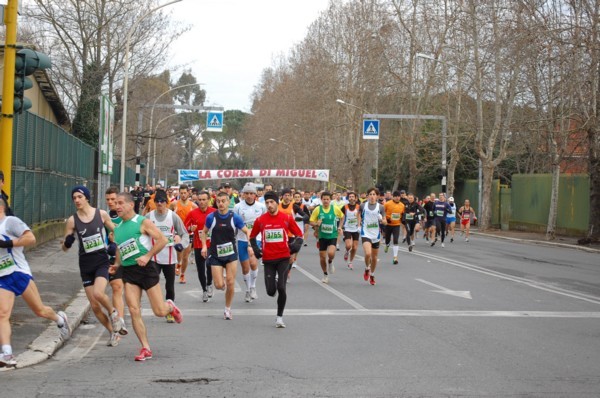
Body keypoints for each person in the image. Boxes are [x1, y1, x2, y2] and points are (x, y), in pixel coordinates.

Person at [111, 192, 183, 361]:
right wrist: (116, 264)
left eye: (120, 203)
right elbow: (121, 249)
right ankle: (145, 347)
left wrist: (148, 256)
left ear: (130, 205)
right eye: (115, 203)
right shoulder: (118, 228)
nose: (117, 206)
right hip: (129, 272)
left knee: (159, 311)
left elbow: (162, 240)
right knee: (134, 310)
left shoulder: (142, 222)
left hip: (146, 269)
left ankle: (170, 307)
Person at [0, 198, 71, 367]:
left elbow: (31, 238)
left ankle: (59, 319)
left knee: (39, 310)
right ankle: (7, 354)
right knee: (3, 314)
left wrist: (8, 243)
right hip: (3, 276)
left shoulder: (10, 222)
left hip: (18, 272)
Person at [62, 185, 123, 346]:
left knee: (98, 293)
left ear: (87, 198)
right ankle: (113, 332)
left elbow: (117, 230)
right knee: (95, 307)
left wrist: (114, 241)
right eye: (74, 198)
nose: (77, 200)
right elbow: (64, 248)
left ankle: (113, 312)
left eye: (79, 197)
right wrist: (67, 243)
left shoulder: (100, 214)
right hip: (85, 264)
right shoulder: (72, 220)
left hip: (101, 261)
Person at [250, 191, 303, 328]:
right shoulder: (260, 220)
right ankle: (272, 282)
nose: (269, 205)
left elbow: (299, 234)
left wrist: (294, 247)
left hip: (283, 258)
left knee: (282, 287)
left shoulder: (286, 218)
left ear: (277, 203)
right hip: (268, 259)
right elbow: (252, 236)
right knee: (270, 291)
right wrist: (256, 249)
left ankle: (279, 317)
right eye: (267, 203)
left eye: (272, 202)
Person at [201, 192, 251, 320]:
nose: (221, 204)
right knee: (218, 285)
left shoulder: (235, 218)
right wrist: (204, 246)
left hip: (231, 254)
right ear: (216, 202)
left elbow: (246, 231)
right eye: (218, 201)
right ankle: (220, 281)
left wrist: (250, 245)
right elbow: (204, 232)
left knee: (230, 282)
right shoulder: (211, 217)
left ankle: (227, 309)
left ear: (229, 202)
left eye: (223, 201)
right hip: (216, 255)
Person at [146, 189, 189, 322]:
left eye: (162, 201)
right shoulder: (148, 217)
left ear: (166, 202)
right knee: (153, 284)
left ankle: (170, 310)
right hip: (154, 257)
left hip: (169, 257)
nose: (160, 204)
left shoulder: (172, 216)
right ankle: (160, 307)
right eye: (157, 201)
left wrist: (182, 244)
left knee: (169, 286)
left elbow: (184, 234)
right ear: (154, 202)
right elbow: (140, 233)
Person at [233, 183, 266, 302]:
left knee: (253, 263)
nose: (249, 196)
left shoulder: (261, 207)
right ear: (243, 194)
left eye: (251, 193)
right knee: (245, 267)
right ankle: (247, 290)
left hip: (255, 239)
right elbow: (234, 224)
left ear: (255, 194)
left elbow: (264, 222)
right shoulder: (237, 207)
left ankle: (253, 287)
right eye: (246, 193)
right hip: (241, 239)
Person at [185, 191, 217, 302]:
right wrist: (190, 229)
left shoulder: (214, 212)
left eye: (204, 199)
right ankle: (204, 290)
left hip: (211, 244)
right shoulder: (193, 213)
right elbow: (185, 227)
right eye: (200, 200)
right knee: (200, 269)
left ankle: (209, 284)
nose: (202, 202)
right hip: (198, 244)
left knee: (209, 265)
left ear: (209, 200)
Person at [105, 186, 128, 336]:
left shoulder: (126, 216)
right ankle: (119, 322)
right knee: (116, 288)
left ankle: (119, 318)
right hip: (111, 257)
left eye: (113, 199)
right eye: (108, 200)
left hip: (127, 257)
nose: (111, 202)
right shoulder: (103, 216)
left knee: (123, 290)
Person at [309, 191, 344, 284]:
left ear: (330, 200)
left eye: (327, 199)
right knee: (322, 257)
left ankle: (330, 262)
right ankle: (325, 275)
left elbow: (342, 217)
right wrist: (316, 223)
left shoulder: (335, 208)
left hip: (333, 235)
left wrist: (340, 227)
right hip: (322, 236)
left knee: (331, 253)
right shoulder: (317, 209)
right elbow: (311, 221)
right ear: (321, 199)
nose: (326, 201)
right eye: (324, 199)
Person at [169, 184, 197, 284]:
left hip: (188, 232)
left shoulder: (193, 206)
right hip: (177, 232)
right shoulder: (174, 204)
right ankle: (178, 264)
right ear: (179, 193)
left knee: (186, 256)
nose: (183, 195)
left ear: (188, 193)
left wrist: (195, 226)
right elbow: (167, 214)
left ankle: (182, 275)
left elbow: (197, 218)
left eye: (185, 193)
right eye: (181, 193)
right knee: (179, 252)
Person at [360, 187, 387, 286]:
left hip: (376, 234)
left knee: (374, 257)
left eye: (374, 194)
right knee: (368, 254)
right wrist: (358, 223)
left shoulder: (381, 207)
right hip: (365, 233)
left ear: (377, 196)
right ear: (367, 196)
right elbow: (358, 216)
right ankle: (367, 268)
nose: (372, 196)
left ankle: (372, 274)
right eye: (370, 194)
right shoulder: (363, 206)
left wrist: (382, 220)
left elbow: (385, 221)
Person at [383, 190, 405, 264]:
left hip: (396, 225)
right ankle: (387, 245)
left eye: (398, 196)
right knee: (387, 239)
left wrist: (403, 220)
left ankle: (395, 258)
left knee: (396, 240)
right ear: (393, 197)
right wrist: (386, 219)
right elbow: (382, 212)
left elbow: (402, 215)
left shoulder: (402, 205)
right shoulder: (387, 204)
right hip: (388, 225)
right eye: (396, 196)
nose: (397, 198)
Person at [341, 192, 361, 269]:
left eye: (353, 196)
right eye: (350, 196)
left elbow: (360, 217)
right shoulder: (345, 207)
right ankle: (346, 252)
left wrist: (359, 226)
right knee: (348, 245)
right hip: (347, 228)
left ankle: (350, 262)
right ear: (348, 198)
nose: (351, 198)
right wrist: (340, 226)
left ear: (356, 198)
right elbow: (341, 217)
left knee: (355, 247)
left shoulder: (359, 207)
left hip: (356, 228)